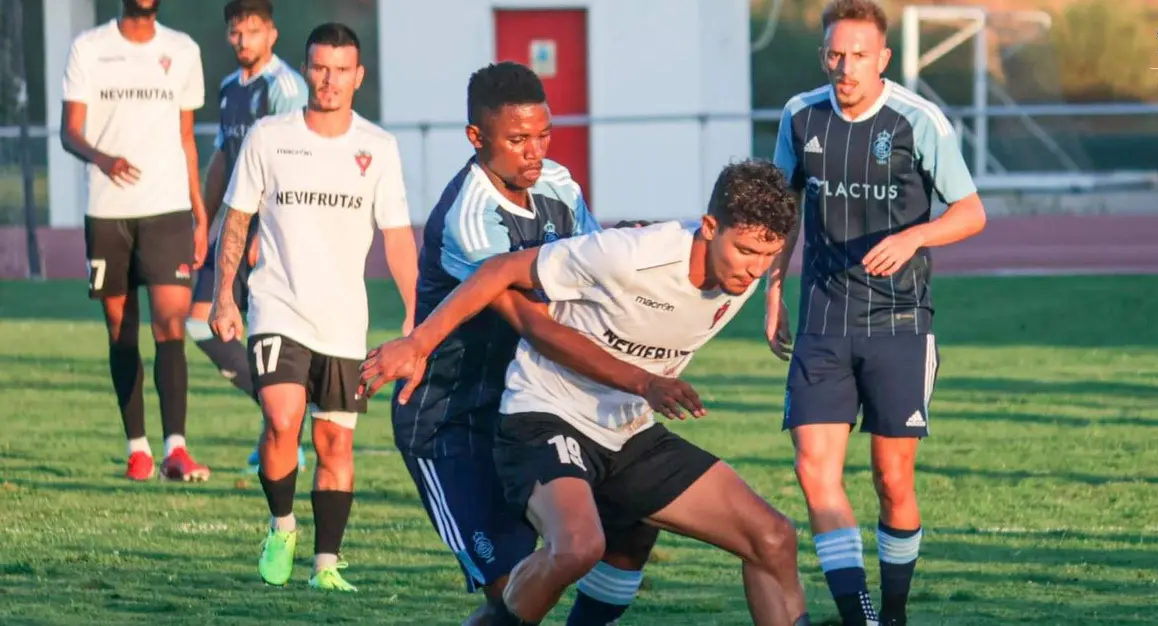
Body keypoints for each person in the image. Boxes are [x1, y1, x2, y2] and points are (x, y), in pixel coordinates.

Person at [362, 159, 812, 626]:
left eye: (769, 255)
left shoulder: (742, 274)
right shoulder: (632, 254)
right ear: (709, 226)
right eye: (744, 251)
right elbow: (498, 270)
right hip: (544, 416)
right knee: (579, 546)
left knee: (773, 537)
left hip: (628, 430)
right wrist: (418, 343)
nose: (755, 270)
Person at [390, 61, 683, 625]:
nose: (535, 151)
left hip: (527, 407)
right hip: (451, 422)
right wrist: (640, 379)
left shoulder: (559, 184)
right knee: (512, 594)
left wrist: (631, 246)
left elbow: (598, 265)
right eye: (518, 139)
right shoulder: (468, 219)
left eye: (544, 135)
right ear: (477, 138)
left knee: (631, 523)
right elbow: (537, 323)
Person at [764, 1, 988, 623]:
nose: (846, 66)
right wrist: (775, 291)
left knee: (892, 480)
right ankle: (860, 614)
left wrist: (915, 236)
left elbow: (971, 213)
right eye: (836, 54)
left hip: (899, 324)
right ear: (823, 57)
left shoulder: (920, 121)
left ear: (883, 59)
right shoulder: (800, 116)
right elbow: (782, 214)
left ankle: (893, 612)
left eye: (859, 55)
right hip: (822, 321)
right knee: (815, 472)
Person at [209, 22, 418, 592]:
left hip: (344, 321)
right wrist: (224, 292)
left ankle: (326, 565)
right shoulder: (269, 136)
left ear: (359, 76)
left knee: (335, 443)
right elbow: (238, 217)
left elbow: (397, 236)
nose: (329, 80)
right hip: (277, 306)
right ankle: (282, 525)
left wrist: (413, 313)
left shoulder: (378, 148)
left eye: (341, 70)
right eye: (320, 68)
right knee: (281, 420)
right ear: (306, 69)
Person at [60, 0, 210, 482]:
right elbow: (70, 131)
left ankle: (176, 449)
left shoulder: (183, 50)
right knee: (120, 330)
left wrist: (199, 209)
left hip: (167, 210)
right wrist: (101, 158)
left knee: (170, 324)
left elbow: (187, 138)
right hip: (108, 213)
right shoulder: (89, 48)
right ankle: (138, 448)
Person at [185, 0, 309, 475]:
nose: (243, 40)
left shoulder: (284, 88)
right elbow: (222, 160)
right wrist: (205, 224)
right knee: (202, 324)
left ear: (271, 34)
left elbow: (293, 163)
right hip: (232, 232)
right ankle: (282, 418)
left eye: (253, 31)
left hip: (269, 232)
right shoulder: (228, 89)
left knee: (269, 337)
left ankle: (285, 436)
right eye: (236, 32)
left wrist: (268, 228)